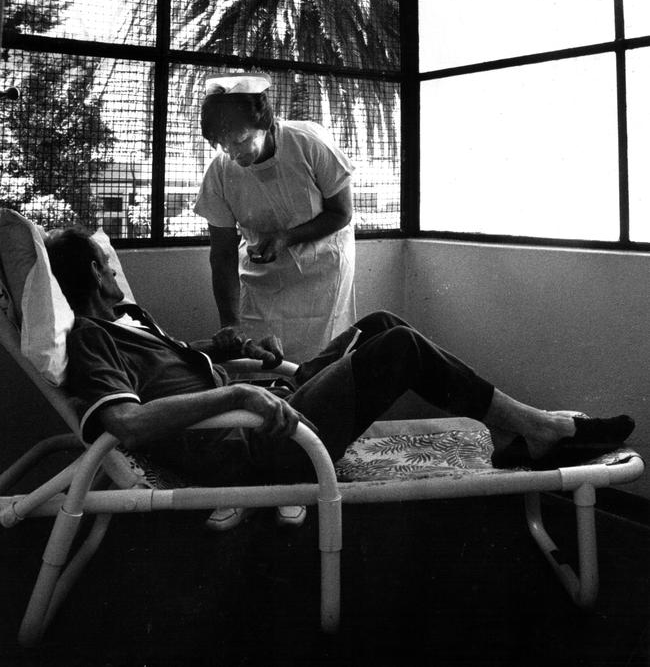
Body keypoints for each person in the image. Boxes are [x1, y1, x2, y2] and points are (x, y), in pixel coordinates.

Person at [45, 226, 636, 534]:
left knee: (380, 324)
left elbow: (165, 378)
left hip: (266, 409)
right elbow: (122, 419)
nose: (116, 268)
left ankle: (521, 433)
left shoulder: (127, 325)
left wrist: (226, 353)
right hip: (260, 448)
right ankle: (536, 430)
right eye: (108, 262)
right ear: (97, 275)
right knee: (399, 348)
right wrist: (240, 390)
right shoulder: (94, 338)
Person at [194, 72, 356, 363]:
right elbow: (222, 254)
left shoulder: (308, 143)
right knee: (261, 362)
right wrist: (230, 324)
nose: (232, 153)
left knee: (318, 364)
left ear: (264, 123)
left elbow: (341, 212)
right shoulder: (219, 172)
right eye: (223, 145)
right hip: (261, 281)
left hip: (321, 272)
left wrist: (287, 238)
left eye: (241, 141)